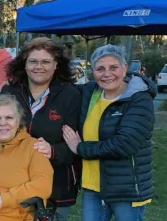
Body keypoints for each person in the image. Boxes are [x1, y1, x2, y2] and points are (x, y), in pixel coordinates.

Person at [63, 45, 155, 221]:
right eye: (100, 69)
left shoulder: (139, 99)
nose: (107, 74)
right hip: (93, 188)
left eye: (113, 67)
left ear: (125, 68)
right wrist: (12, 82)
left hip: (126, 191)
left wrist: (80, 148)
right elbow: (59, 88)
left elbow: (124, 145)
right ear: (93, 71)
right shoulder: (90, 93)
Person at [0, 37, 81, 221]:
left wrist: (52, 150)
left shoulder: (70, 96)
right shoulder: (9, 92)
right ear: (24, 64)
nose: (39, 67)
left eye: (46, 62)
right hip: (12, 181)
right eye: (33, 61)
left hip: (57, 187)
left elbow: (76, 144)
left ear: (56, 65)